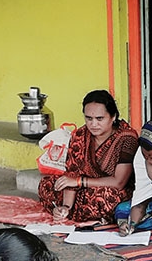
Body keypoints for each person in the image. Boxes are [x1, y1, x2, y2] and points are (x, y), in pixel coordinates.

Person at [38, 89, 138, 222]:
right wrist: (66, 206)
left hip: (113, 189)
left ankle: (83, 212)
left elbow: (119, 182)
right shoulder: (81, 135)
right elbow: (72, 174)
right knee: (47, 184)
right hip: (81, 189)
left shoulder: (126, 138)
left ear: (113, 117)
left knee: (106, 198)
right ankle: (67, 212)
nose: (93, 124)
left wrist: (80, 182)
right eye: (89, 118)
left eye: (100, 119)